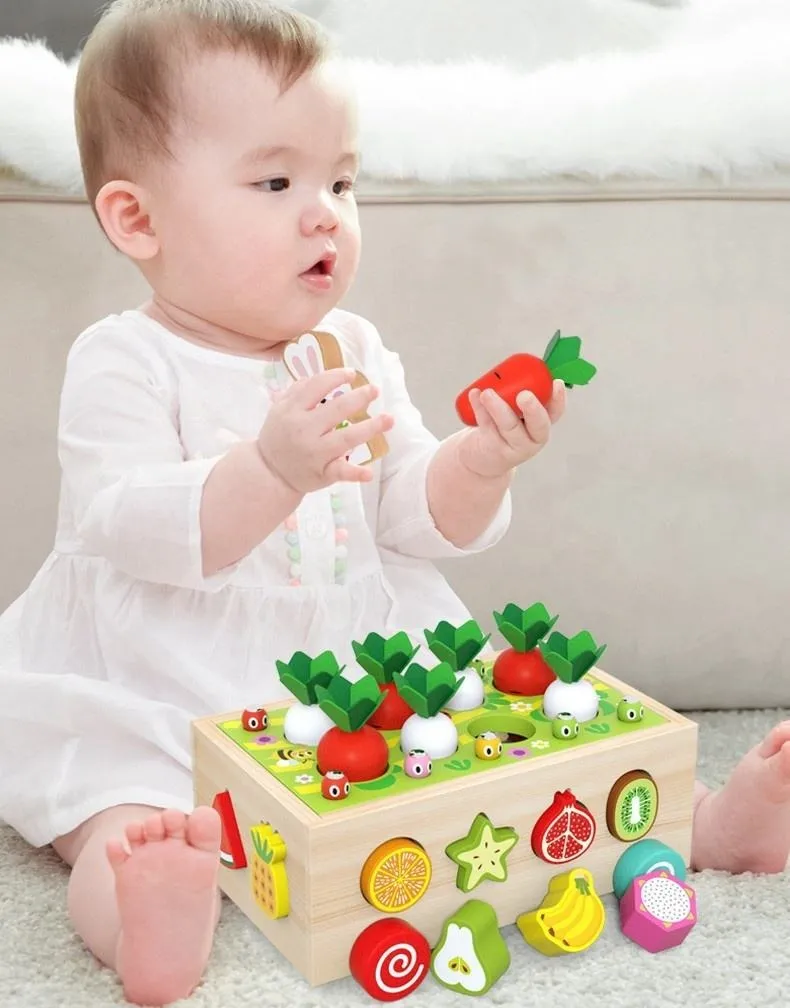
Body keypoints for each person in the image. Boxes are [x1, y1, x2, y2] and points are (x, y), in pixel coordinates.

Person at [0, 1, 787, 1005]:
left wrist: (478, 462)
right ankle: (152, 913)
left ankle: (701, 823)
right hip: (161, 683)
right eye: (276, 181)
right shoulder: (124, 358)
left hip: (349, 669)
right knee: (119, 813)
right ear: (137, 218)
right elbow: (131, 526)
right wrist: (269, 468)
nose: (324, 210)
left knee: (504, 744)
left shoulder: (351, 349)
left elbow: (414, 516)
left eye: (340, 180)